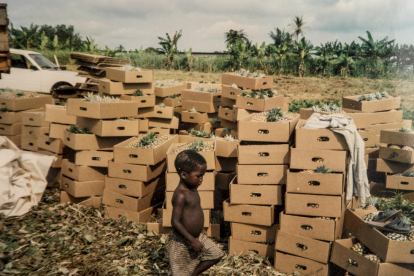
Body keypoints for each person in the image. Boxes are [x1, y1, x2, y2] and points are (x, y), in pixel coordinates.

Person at [168, 150, 224, 276]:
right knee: (180, 272)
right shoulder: (181, 195)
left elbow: (193, 212)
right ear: (184, 175)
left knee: (216, 254)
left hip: (197, 236)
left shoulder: (192, 189)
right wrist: (191, 240)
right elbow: (175, 222)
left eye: (202, 176)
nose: (201, 179)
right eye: (198, 176)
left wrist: (200, 228)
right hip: (182, 241)